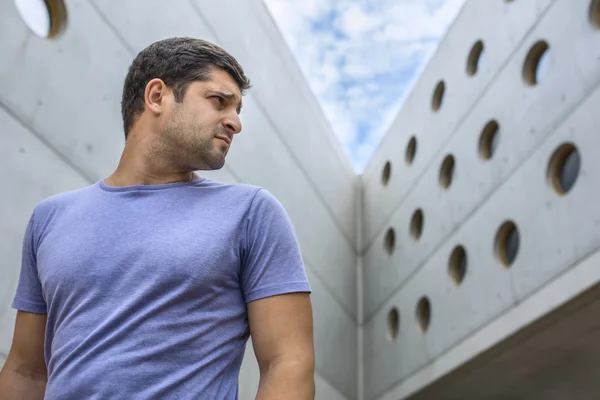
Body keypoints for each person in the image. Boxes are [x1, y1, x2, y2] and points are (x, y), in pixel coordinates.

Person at [0, 37, 315, 399]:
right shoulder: (49, 218)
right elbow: (26, 370)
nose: (235, 123)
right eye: (219, 101)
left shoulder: (251, 212)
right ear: (156, 96)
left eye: (238, 109)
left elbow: (288, 361)